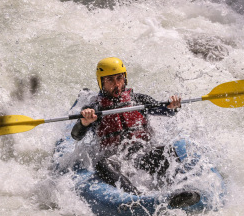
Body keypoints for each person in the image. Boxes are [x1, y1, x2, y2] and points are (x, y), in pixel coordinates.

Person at [71, 57, 182, 195]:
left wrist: (173, 107)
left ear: (125, 78)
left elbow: (167, 111)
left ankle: (179, 190)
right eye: (110, 80)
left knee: (167, 151)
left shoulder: (139, 100)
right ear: (101, 82)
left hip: (143, 154)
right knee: (102, 164)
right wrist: (85, 122)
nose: (116, 84)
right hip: (117, 160)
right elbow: (76, 135)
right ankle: (135, 197)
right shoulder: (95, 107)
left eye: (119, 78)